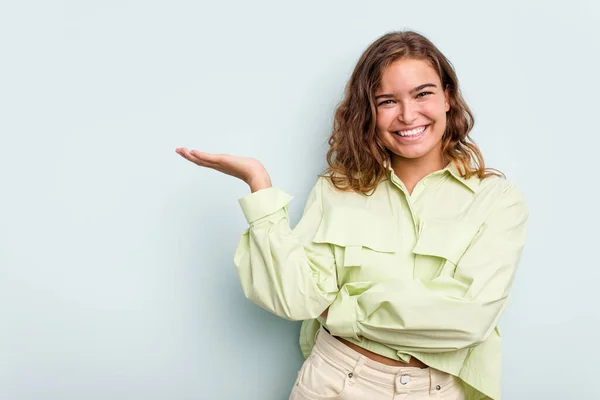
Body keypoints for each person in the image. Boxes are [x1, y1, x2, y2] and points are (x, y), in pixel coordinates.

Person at [176, 30, 528, 400]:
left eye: (422, 93)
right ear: (369, 112)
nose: (408, 115)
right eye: (387, 101)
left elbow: (468, 320)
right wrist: (259, 186)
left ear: (448, 98)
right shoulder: (338, 188)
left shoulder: (498, 200)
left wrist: (340, 309)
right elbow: (297, 299)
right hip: (333, 380)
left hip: (437, 390)